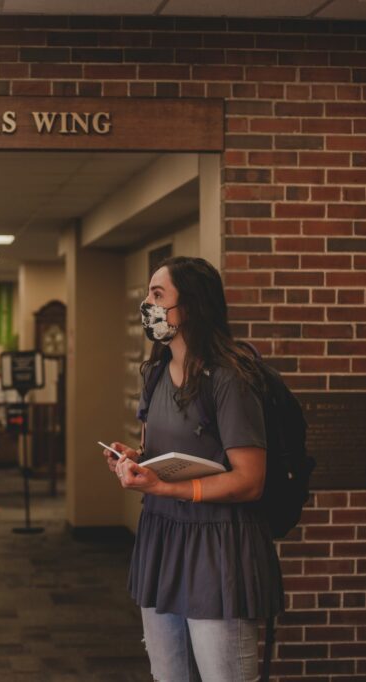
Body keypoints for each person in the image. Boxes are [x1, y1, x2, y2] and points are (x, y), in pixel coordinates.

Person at [105, 257, 283, 682]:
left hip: (217, 546)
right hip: (163, 538)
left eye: (158, 295)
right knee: (169, 675)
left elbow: (249, 480)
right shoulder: (155, 373)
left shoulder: (229, 378)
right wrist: (134, 458)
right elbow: (163, 451)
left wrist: (164, 489)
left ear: (192, 307)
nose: (147, 304)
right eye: (148, 293)